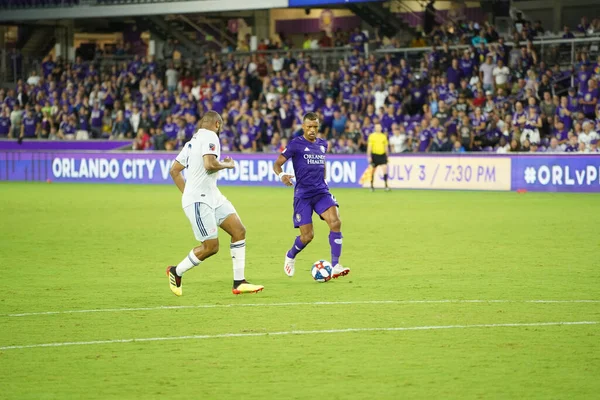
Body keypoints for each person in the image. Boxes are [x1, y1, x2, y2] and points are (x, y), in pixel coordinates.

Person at [166, 111, 264, 296]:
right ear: (217, 124)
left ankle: (239, 282)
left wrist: (187, 192)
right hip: (199, 200)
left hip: (213, 195)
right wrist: (228, 165)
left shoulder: (192, 142)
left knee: (238, 230)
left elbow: (174, 170)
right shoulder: (211, 136)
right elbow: (209, 164)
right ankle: (176, 271)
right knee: (211, 247)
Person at [273, 112, 350, 279]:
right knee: (307, 236)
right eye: (309, 127)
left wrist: (325, 181)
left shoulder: (323, 144)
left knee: (335, 222)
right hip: (303, 195)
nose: (312, 130)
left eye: (315, 127)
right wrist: (282, 176)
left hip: (321, 192)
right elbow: (277, 164)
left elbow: (322, 164)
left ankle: (336, 265)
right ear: (303, 127)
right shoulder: (295, 144)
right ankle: (291, 255)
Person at [367, 123, 391, 192]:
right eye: (377, 127)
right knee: (373, 170)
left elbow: (386, 147)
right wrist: (369, 156)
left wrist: (387, 156)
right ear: (375, 128)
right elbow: (369, 147)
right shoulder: (372, 136)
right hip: (374, 155)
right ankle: (371, 186)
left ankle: (386, 185)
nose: (378, 128)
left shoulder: (383, 136)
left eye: (379, 127)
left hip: (382, 155)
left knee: (385, 168)